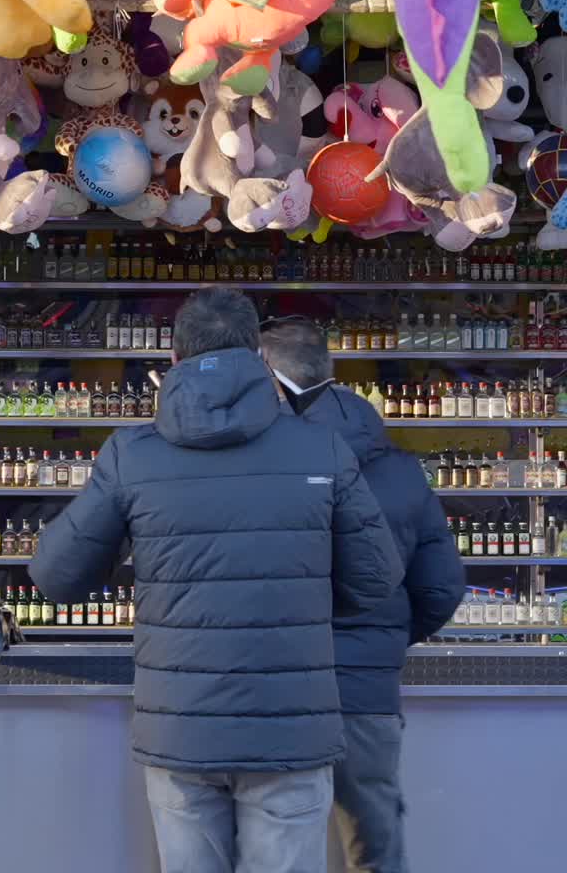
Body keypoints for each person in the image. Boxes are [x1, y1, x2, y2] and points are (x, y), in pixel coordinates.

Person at [31, 286, 403, 873]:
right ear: (259, 360)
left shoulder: (133, 455)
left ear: (172, 362)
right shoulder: (321, 450)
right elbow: (377, 580)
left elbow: (56, 576)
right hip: (291, 726)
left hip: (183, 728)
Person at [259, 316, 466, 873]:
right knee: (375, 847)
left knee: (278, 846)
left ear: (269, 379)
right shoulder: (399, 468)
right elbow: (441, 586)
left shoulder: (260, 465)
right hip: (368, 691)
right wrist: (385, 637)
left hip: (278, 688)